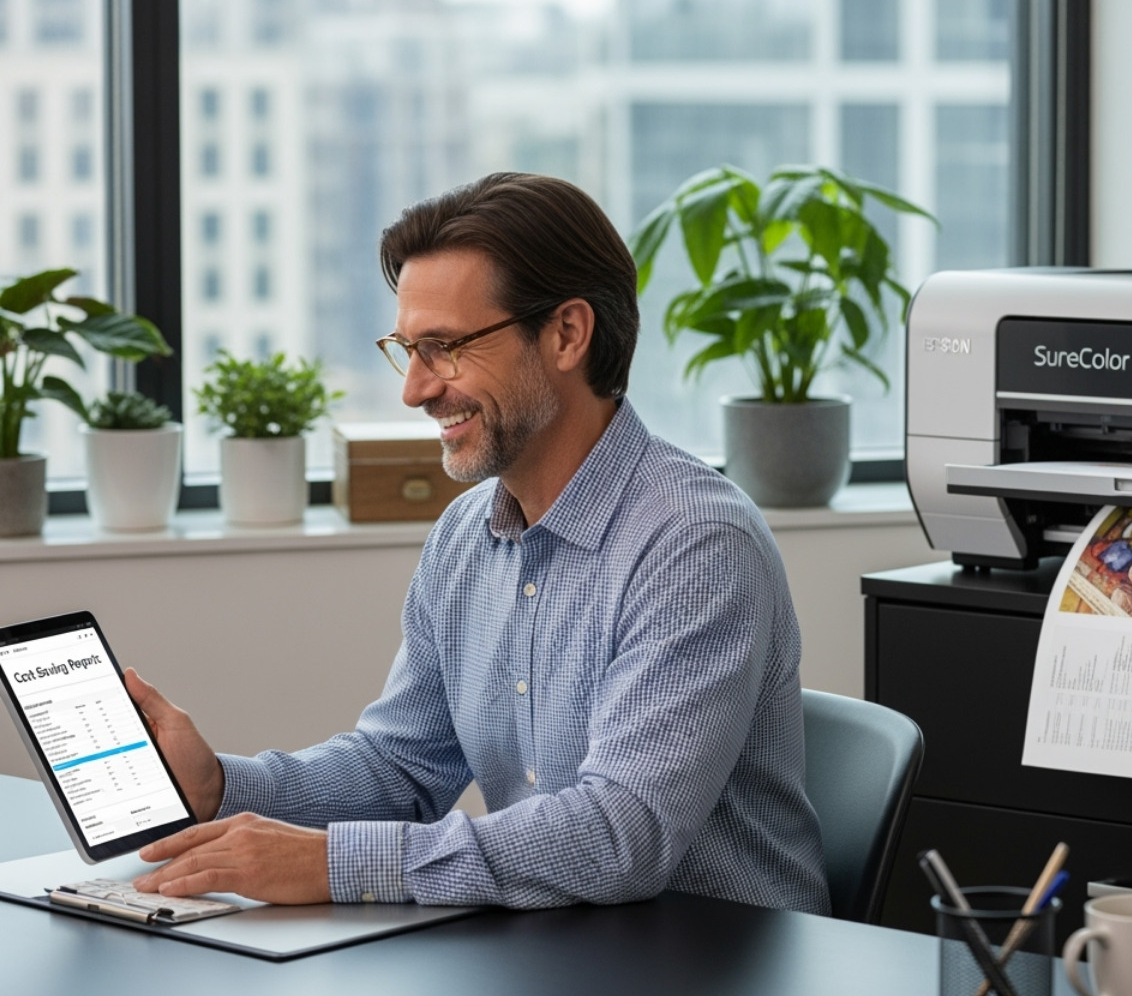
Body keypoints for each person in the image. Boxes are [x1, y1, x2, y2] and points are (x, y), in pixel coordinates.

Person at [126, 172, 831, 915]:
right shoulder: (466, 538)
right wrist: (219, 785)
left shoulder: (694, 545)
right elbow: (399, 769)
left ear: (566, 333)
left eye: (445, 347)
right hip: (559, 952)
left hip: (719, 965)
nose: (416, 389)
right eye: (409, 350)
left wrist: (333, 864)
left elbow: (622, 835)